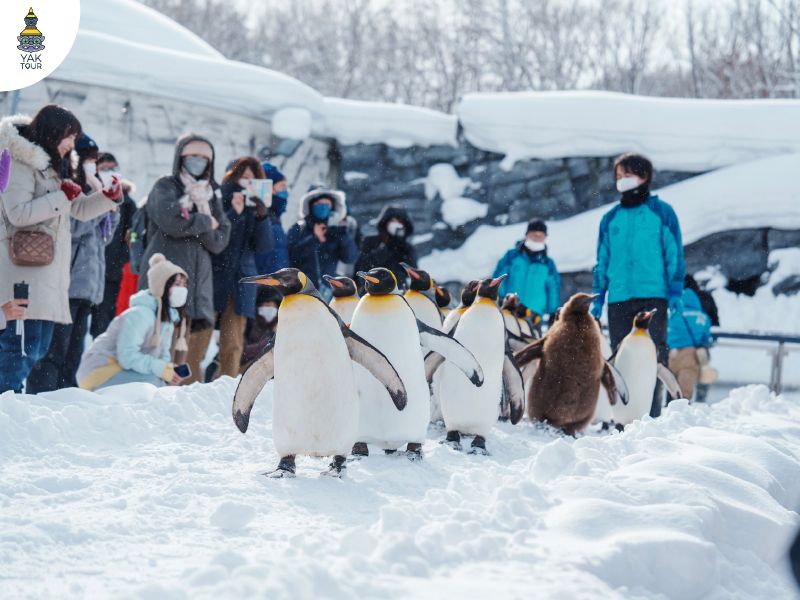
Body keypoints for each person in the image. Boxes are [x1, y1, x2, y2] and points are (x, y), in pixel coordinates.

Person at [0, 106, 121, 394]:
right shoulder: (20, 162)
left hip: (46, 272)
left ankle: (10, 404)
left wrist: (107, 199)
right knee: (18, 348)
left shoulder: (53, 169)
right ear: (53, 131)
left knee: (37, 347)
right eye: (70, 136)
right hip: (21, 273)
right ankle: (6, 405)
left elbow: (75, 209)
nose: (72, 143)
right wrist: (61, 195)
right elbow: (16, 212)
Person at [591, 153, 685, 417]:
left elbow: (674, 253)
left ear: (645, 177)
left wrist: (675, 290)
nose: (622, 180)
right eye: (619, 176)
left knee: (652, 358)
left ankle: (651, 416)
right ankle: (621, 416)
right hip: (619, 296)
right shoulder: (611, 218)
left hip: (653, 296)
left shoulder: (662, 213)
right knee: (622, 359)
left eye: (628, 175)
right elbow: (602, 259)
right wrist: (599, 296)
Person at [27, 134, 120, 392]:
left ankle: (66, 397)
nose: (93, 164)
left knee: (74, 351)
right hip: (68, 282)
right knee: (54, 349)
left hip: (88, 284)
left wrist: (109, 204)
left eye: (95, 160)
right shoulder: (70, 186)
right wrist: (95, 201)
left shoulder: (93, 186)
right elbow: (74, 228)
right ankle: (42, 395)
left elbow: (105, 236)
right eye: (89, 159)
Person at [137, 134, 231, 385]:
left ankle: (179, 409)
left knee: (189, 360)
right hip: (165, 282)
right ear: (181, 157)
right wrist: (204, 221)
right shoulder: (165, 186)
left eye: (204, 158)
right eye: (192, 157)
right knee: (157, 350)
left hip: (197, 287)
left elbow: (218, 240)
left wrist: (199, 220)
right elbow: (171, 221)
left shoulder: (212, 194)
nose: (198, 163)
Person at [77, 254, 188, 390]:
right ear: (161, 286)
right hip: (100, 370)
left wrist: (168, 372)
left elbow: (162, 355)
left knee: (162, 385)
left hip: (124, 370)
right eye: (177, 284)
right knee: (153, 385)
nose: (182, 289)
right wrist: (160, 370)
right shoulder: (140, 314)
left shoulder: (168, 318)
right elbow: (127, 356)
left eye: (184, 284)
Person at [211, 157, 274, 378]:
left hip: (242, 280)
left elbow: (264, 246)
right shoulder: (216, 199)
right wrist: (233, 213)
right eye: (243, 176)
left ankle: (225, 387)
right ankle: (187, 386)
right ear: (231, 176)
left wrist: (262, 215)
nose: (247, 183)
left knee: (233, 341)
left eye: (252, 178)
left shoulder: (258, 210)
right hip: (213, 277)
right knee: (198, 335)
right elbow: (215, 238)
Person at [91, 152, 137, 337]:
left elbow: (132, 236)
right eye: (104, 169)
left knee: (104, 325)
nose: (109, 172)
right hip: (86, 270)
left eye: (113, 168)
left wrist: (121, 260)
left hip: (111, 272)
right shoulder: (89, 195)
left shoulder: (127, 203)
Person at [286, 188, 358, 298]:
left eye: (327, 204)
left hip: (329, 291)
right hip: (301, 290)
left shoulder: (337, 232)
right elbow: (292, 256)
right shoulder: (299, 228)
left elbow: (350, 258)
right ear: (310, 206)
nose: (323, 207)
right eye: (319, 203)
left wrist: (342, 232)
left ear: (333, 208)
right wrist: (314, 238)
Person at [493, 219, 560, 322]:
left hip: (534, 316)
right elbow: (499, 277)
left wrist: (553, 312)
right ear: (526, 235)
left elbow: (553, 289)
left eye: (540, 236)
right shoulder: (511, 256)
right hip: (508, 310)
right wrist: (499, 298)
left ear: (545, 238)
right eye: (533, 234)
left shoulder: (548, 263)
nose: (536, 238)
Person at [667, 281, 712, 401]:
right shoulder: (703, 317)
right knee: (684, 391)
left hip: (671, 353)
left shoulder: (673, 314)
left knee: (670, 383)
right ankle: (685, 404)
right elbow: (705, 337)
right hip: (690, 355)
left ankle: (668, 404)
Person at [354, 204, 416, 290]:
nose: (396, 224)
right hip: (371, 290)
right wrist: (386, 248)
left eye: (400, 222)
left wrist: (401, 246)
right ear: (385, 222)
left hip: (397, 291)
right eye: (393, 221)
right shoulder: (370, 241)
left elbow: (411, 273)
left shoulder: (407, 247)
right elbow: (363, 267)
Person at [255, 162, 290, 275]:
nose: (286, 191)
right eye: (282, 186)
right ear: (269, 188)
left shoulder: (274, 217)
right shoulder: (259, 216)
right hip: (263, 286)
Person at [240, 286, 281, 370]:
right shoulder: (249, 324)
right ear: (258, 307)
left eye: (272, 307)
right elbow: (241, 353)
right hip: (246, 369)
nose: (269, 310)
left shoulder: (282, 326)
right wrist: (270, 341)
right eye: (266, 305)